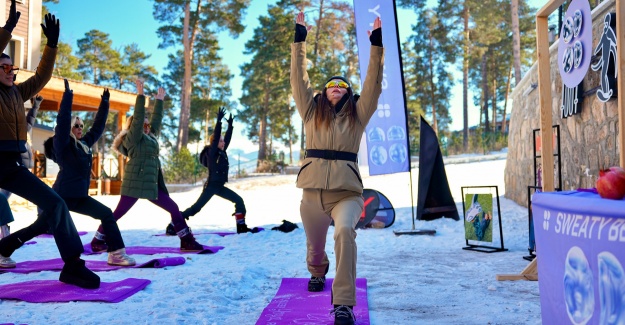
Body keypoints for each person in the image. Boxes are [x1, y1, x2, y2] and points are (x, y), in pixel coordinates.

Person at [291, 12, 384, 325]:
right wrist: (299, 39)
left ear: (348, 93)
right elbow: (298, 79)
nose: (336, 87)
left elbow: (372, 83)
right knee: (315, 250)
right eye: (330, 84)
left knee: (345, 232)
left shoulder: (358, 115)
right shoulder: (310, 112)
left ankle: (343, 304)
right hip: (312, 194)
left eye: (342, 85)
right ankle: (318, 271)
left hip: (346, 193)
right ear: (323, 91)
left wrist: (376, 45)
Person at [0, 0, 100, 289]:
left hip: (9, 165)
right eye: (4, 66)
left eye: (13, 67)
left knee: (55, 205)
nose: (11, 71)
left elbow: (42, 76)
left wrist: (51, 46)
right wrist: (7, 30)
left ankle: (72, 266)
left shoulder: (17, 93)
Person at [90, 79, 205, 252]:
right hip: (135, 182)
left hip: (150, 183)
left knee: (173, 208)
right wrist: (140, 96)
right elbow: (137, 120)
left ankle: (186, 241)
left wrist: (159, 100)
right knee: (118, 213)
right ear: (135, 125)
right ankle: (97, 240)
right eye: (143, 123)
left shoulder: (150, 136)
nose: (147, 125)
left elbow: (157, 120)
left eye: (147, 123)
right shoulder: (134, 138)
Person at [44, 80, 135, 266]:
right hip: (61, 197)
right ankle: (5, 248)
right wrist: (68, 97)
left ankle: (116, 253)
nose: (80, 128)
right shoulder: (62, 145)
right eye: (76, 126)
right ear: (69, 128)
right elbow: (61, 123)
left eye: (81, 126)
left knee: (106, 213)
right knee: (39, 227)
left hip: (79, 196)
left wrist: (105, 104)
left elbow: (97, 128)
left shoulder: (83, 144)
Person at [165, 107, 259, 235]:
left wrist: (230, 126)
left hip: (219, 186)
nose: (223, 142)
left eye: (222, 140)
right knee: (195, 209)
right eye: (220, 140)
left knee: (238, 200)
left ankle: (241, 227)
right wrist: (219, 122)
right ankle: (173, 225)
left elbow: (228, 138)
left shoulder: (222, 152)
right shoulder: (212, 152)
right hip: (211, 186)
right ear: (214, 143)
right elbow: (216, 140)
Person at [0, 94, 43, 239]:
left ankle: (42, 221)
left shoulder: (23, 129)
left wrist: (36, 104)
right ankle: (4, 229)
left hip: (23, 170)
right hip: (14, 170)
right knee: (3, 199)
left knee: (40, 195)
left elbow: (30, 118)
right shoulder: (9, 132)